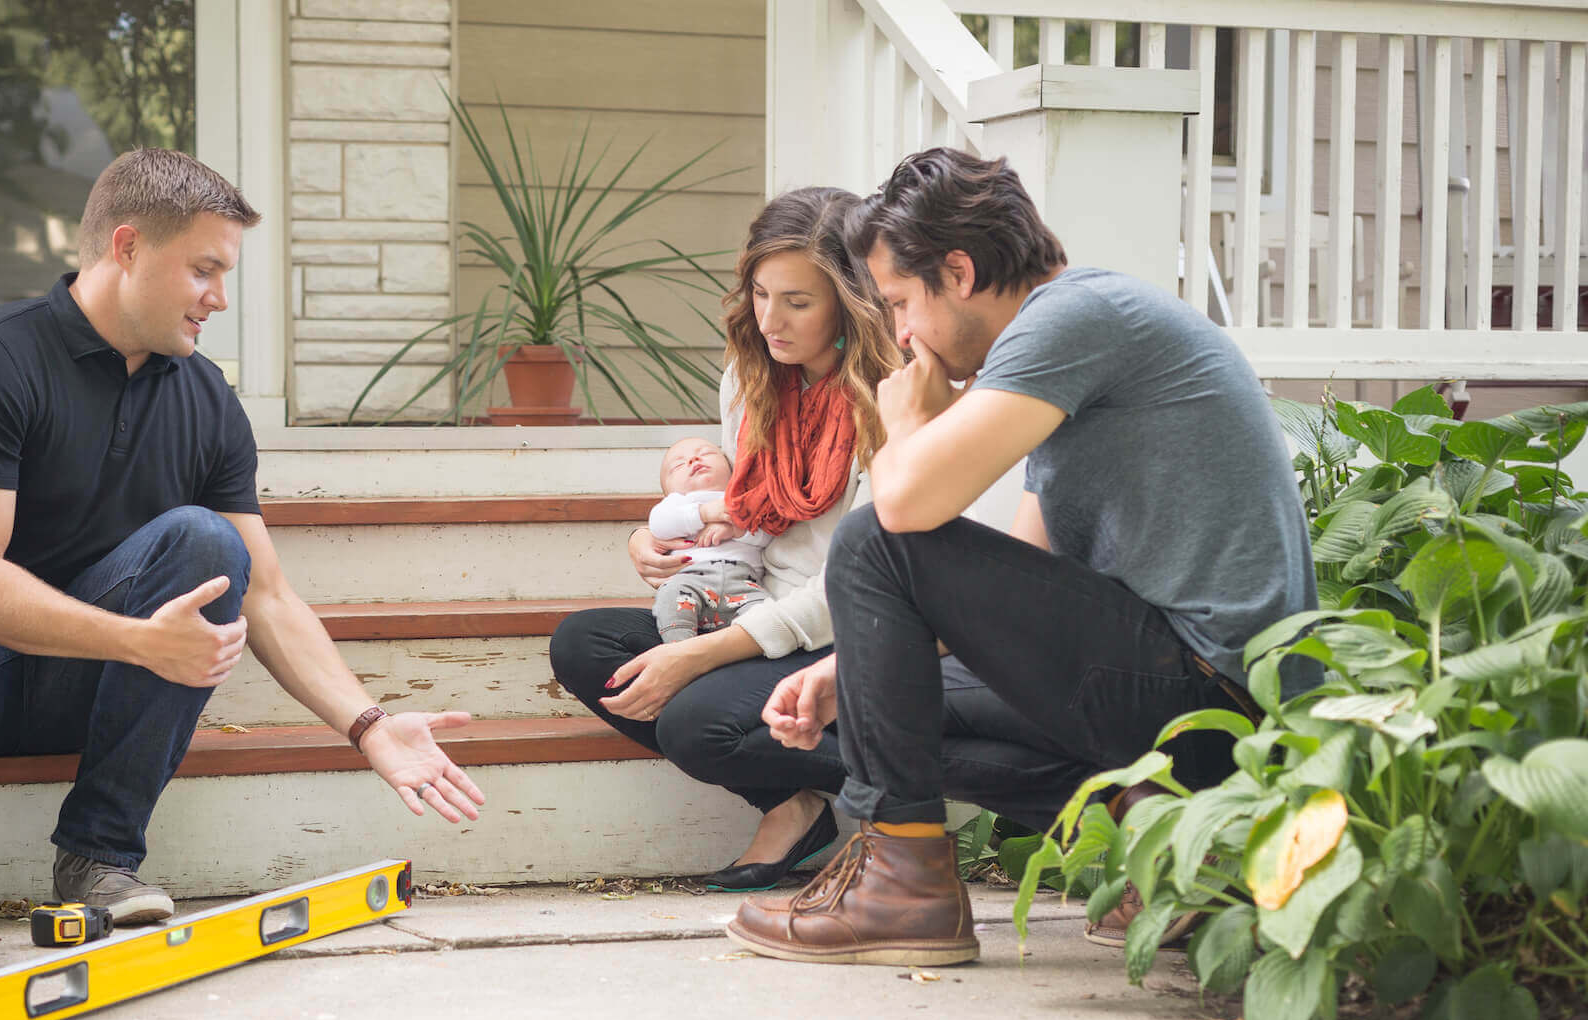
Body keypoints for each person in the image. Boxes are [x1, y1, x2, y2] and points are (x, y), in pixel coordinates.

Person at [0, 148, 485, 988]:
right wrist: (139, 640)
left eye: (225, 273)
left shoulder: (206, 398)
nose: (219, 296)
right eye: (204, 269)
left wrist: (368, 726)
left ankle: (99, 858)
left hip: (91, 688)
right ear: (129, 247)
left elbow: (267, 592)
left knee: (208, 545)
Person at [731, 148, 1317, 965]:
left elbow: (903, 511)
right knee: (881, 707)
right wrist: (846, 672)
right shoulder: (1050, 348)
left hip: (1221, 694)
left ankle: (904, 893)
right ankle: (1179, 842)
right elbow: (1014, 575)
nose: (901, 335)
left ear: (960, 271)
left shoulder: (1076, 319)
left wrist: (910, 422)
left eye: (902, 302)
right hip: (1179, 692)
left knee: (873, 539)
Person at [549, 187, 903, 894]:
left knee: (694, 725)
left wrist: (704, 652)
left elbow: (857, 582)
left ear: (850, 300)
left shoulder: (891, 398)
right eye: (761, 293)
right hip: (753, 598)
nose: (770, 320)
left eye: (798, 302)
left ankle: (901, 791)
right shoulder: (751, 380)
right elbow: (741, 509)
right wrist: (650, 540)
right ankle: (792, 803)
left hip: (845, 628)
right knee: (585, 646)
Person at [647, 437, 772, 643]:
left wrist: (736, 530)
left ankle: (744, 652)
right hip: (689, 581)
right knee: (670, 598)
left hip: (745, 585)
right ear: (667, 490)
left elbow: (767, 536)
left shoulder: (742, 499)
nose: (694, 459)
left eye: (707, 453)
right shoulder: (676, 504)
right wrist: (703, 512)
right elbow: (659, 525)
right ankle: (680, 648)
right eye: (678, 464)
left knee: (767, 615)